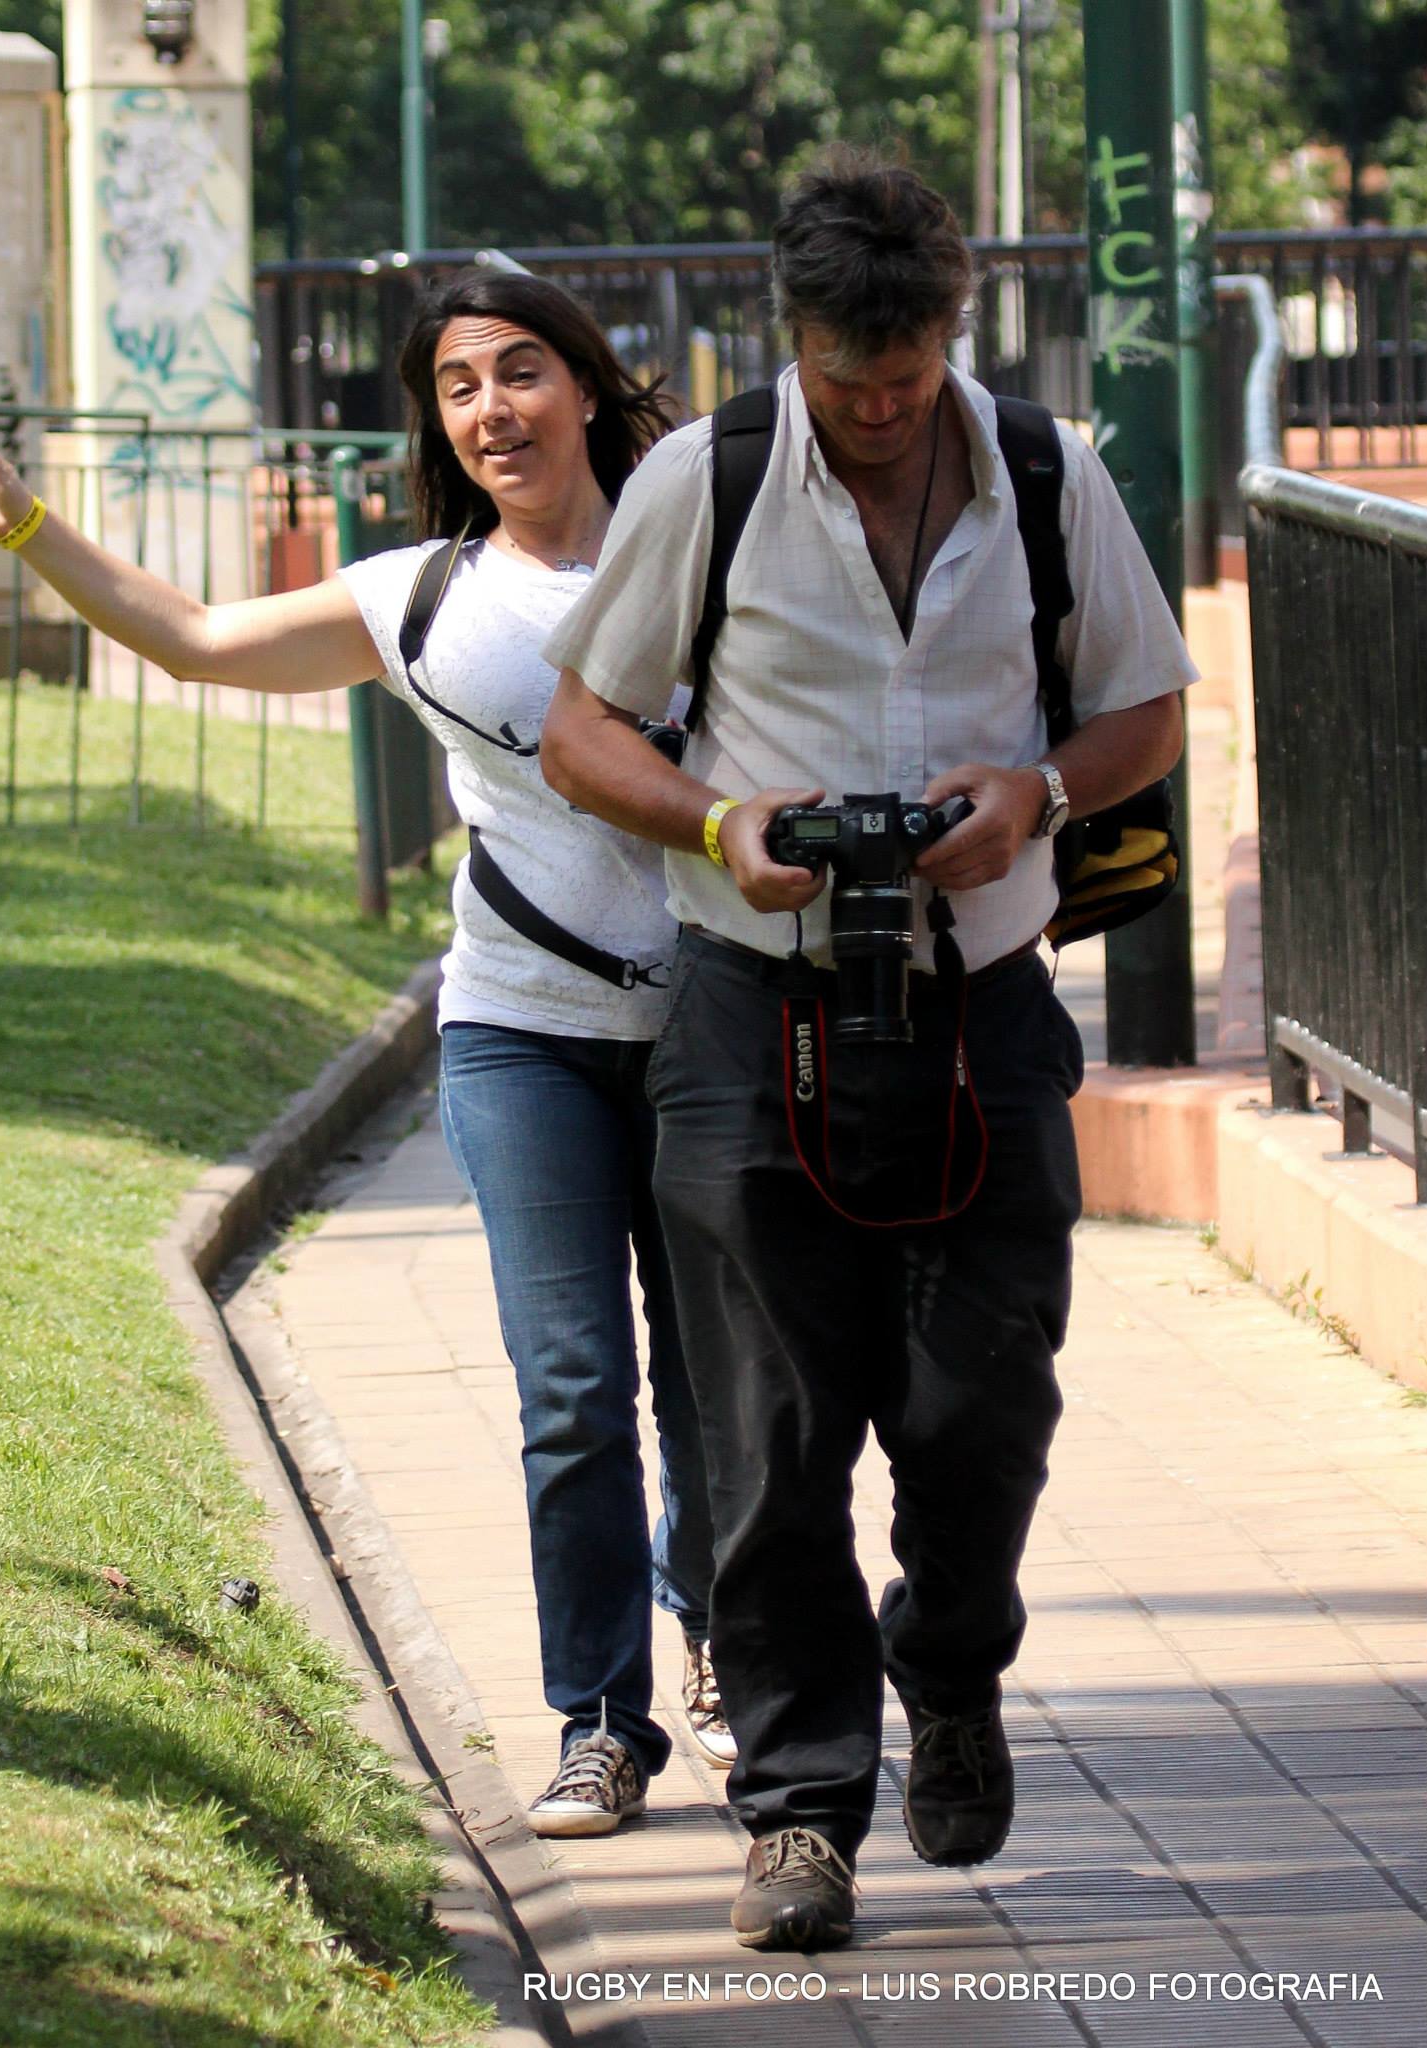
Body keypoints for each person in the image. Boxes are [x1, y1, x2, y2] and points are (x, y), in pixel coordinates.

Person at [0, 268, 730, 1837]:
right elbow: (199, 638)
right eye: (459, 387)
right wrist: (21, 526)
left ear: (590, 385)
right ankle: (597, 1723)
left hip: (712, 1032)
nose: (492, 409)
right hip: (520, 1035)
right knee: (569, 1391)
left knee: (716, 1383)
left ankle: (728, 1655)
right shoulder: (418, 599)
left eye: (521, 371)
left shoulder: (712, 560)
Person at [540, 146, 1196, 1947]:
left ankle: (952, 1669)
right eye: (847, 382)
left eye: (906, 380)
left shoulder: (1047, 471)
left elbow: (1144, 704)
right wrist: (712, 826)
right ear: (793, 340)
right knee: (763, 1435)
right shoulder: (710, 477)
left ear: (954, 333)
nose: (881, 413)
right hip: (753, 1004)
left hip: (983, 995)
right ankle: (800, 1808)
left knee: (984, 1406)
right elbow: (578, 732)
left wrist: (1039, 790)